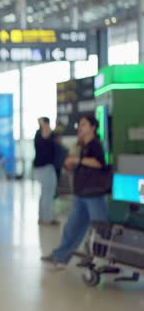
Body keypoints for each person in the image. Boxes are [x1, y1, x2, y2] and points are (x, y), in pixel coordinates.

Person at [42, 115, 109, 269]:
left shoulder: (95, 145)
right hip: (81, 194)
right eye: (80, 124)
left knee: (100, 228)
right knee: (72, 227)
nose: (80, 127)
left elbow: (98, 163)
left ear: (93, 128)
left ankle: (101, 257)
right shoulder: (82, 145)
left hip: (94, 195)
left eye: (84, 124)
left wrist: (75, 160)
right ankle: (60, 256)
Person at [34, 117, 59, 225]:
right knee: (48, 194)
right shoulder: (41, 134)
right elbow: (46, 134)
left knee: (45, 193)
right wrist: (43, 123)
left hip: (44, 167)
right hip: (45, 168)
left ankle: (43, 217)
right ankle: (47, 218)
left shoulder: (46, 134)